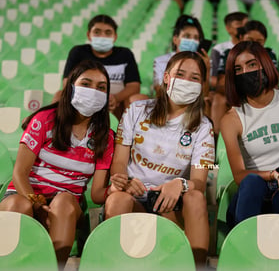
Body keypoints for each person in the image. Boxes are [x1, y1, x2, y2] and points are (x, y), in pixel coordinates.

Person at [0, 60, 114, 269]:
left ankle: (55, 267)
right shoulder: (44, 119)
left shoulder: (106, 137)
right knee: (19, 205)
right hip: (24, 193)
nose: (93, 92)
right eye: (86, 84)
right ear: (70, 87)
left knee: (62, 203)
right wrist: (36, 202)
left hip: (68, 202)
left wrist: (115, 187)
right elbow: (20, 173)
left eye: (101, 87)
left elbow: (97, 193)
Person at [105, 51, 215, 267]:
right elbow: (119, 161)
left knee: (195, 198)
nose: (186, 82)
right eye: (180, 74)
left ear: (202, 85)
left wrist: (179, 184)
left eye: (194, 78)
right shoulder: (136, 110)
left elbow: (200, 183)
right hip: (135, 195)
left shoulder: (204, 126)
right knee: (117, 199)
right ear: (166, 77)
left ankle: (197, 266)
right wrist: (122, 180)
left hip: (172, 203)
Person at [220, 41, 279, 228]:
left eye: (252, 64)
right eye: (238, 69)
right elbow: (239, 175)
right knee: (252, 182)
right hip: (252, 191)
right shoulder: (231, 118)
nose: (245, 72)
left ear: (265, 65)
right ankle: (244, 245)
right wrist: (277, 175)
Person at [53, 14, 146, 120]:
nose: (102, 36)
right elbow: (67, 83)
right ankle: (55, 132)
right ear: (89, 35)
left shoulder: (125, 54)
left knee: (139, 99)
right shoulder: (78, 52)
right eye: (97, 32)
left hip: (116, 101)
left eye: (108, 33)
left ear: (115, 36)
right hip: (85, 95)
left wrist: (115, 98)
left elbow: (134, 86)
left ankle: (134, 135)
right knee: (60, 95)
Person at [212, 20, 277, 136]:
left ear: (265, 41)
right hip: (235, 94)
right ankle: (217, 139)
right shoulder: (228, 53)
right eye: (250, 40)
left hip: (261, 95)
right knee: (218, 98)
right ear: (241, 37)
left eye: (259, 42)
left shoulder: (269, 53)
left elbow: (273, 83)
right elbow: (221, 83)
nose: (254, 45)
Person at [152, 15, 210, 99]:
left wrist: (207, 69)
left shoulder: (203, 62)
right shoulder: (161, 61)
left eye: (196, 38)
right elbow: (159, 91)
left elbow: (204, 95)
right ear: (175, 39)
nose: (192, 41)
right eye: (187, 36)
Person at [210, 11, 248, 90]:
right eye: (239, 24)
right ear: (228, 28)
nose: (243, 27)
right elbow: (213, 79)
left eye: (246, 24)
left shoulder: (255, 48)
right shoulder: (219, 49)